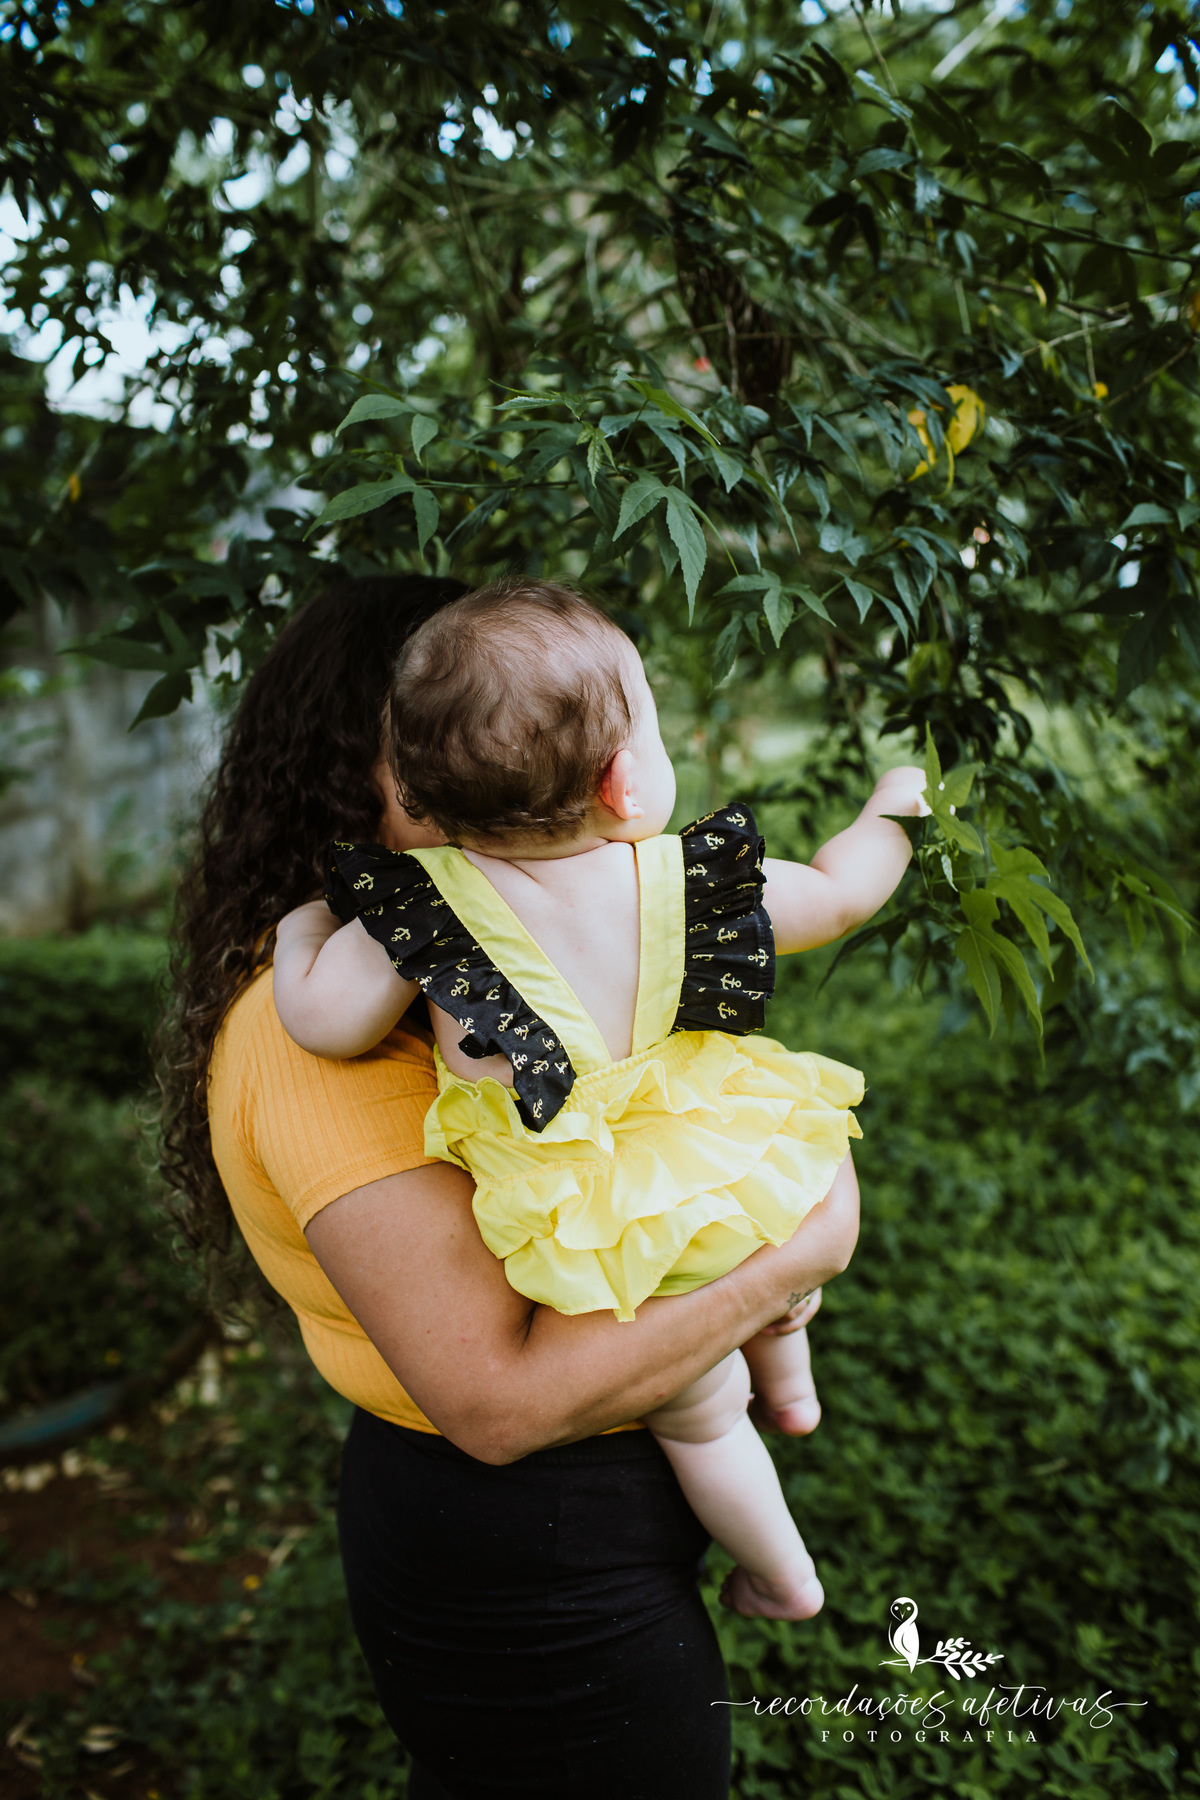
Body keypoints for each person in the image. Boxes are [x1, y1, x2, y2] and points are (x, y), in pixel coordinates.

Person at [159, 573, 862, 1800]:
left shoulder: (468, 956)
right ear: (380, 777)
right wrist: (794, 1250)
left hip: (576, 1505)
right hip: (525, 1545)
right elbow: (495, 1402)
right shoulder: (318, 1032)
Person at [272, 579, 927, 1626]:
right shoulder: (683, 882)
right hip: (722, 1162)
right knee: (751, 1230)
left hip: (598, 1224)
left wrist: (301, 931)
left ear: (419, 793)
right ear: (625, 782)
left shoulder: (425, 908)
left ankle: (784, 1575)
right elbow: (843, 892)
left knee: (704, 1424)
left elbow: (323, 1022)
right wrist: (894, 811)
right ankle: (792, 1380)